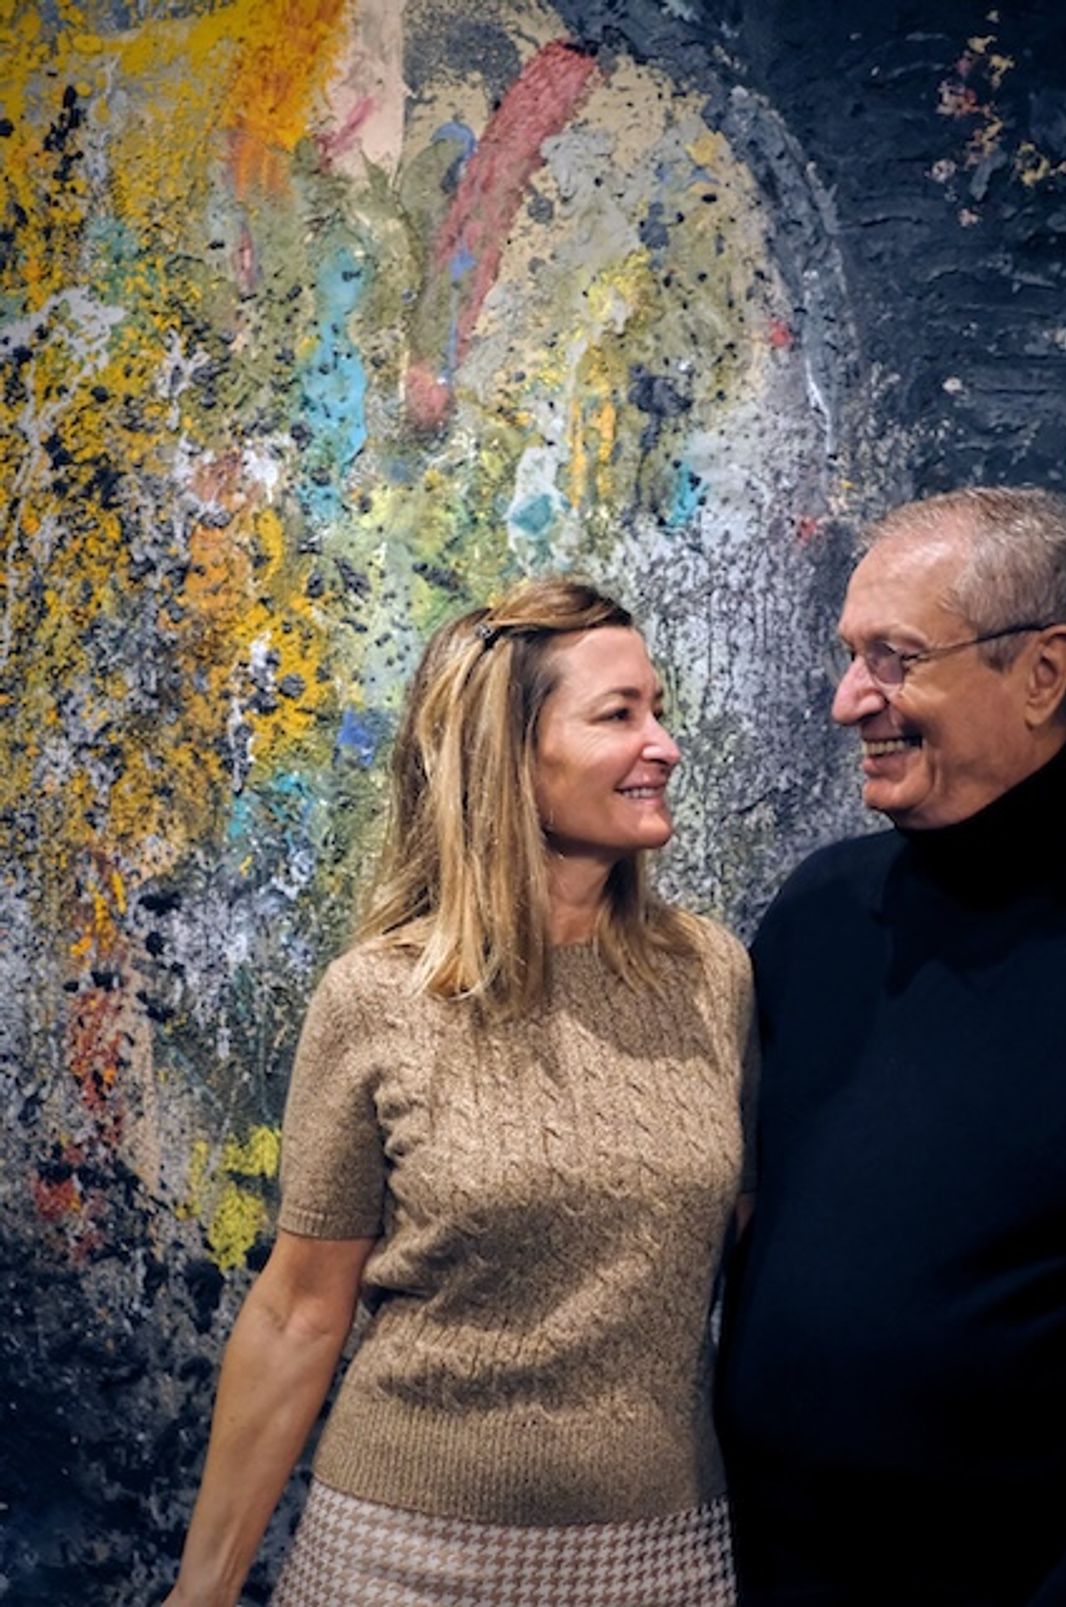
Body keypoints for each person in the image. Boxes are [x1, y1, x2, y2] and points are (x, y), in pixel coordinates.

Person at [166, 577, 755, 1607]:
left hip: (665, 1558)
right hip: (401, 1561)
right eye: (619, 715)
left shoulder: (714, 977)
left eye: (658, 710)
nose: (661, 743)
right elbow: (300, 1313)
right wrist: (201, 1591)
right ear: (509, 757)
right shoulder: (377, 998)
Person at [718, 487, 1066, 1605]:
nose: (849, 701)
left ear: (1041, 672)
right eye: (851, 656)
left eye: (894, 658)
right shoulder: (817, 915)